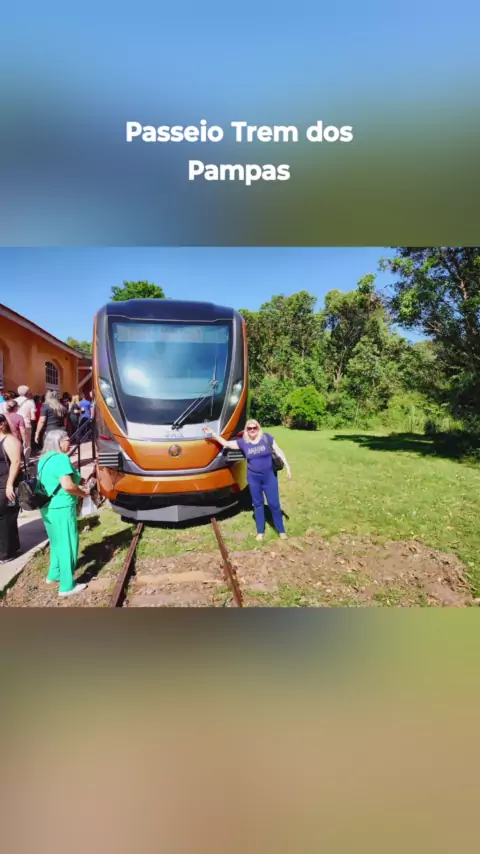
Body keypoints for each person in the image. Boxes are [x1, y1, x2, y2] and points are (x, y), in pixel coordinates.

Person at [203, 419, 292, 541]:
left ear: (258, 428)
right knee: (258, 504)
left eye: (254, 427)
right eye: (249, 428)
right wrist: (213, 433)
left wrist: (288, 467)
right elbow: (226, 444)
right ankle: (260, 532)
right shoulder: (243, 442)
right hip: (254, 478)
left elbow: (278, 450)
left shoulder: (266, 438)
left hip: (269, 476)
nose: (252, 430)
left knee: (274, 504)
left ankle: (281, 531)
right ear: (246, 430)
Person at [37, 429, 90, 596]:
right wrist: (83, 493)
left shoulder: (43, 459)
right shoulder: (61, 459)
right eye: (67, 439)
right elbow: (67, 486)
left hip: (47, 507)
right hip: (62, 506)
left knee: (56, 542)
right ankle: (67, 586)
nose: (70, 442)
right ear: (58, 442)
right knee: (68, 544)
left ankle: (54, 574)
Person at [0, 414, 21, 564]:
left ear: (2, 424)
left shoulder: (10, 440)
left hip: (5, 482)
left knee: (5, 517)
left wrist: (9, 484)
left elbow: (16, 462)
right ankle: (10, 547)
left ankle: (6, 552)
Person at [15, 386, 36, 464]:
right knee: (26, 444)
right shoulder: (30, 402)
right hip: (26, 424)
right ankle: (26, 462)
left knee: (16, 442)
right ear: (27, 392)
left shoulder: (14, 401)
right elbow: (33, 417)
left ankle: (17, 460)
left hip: (15, 424)